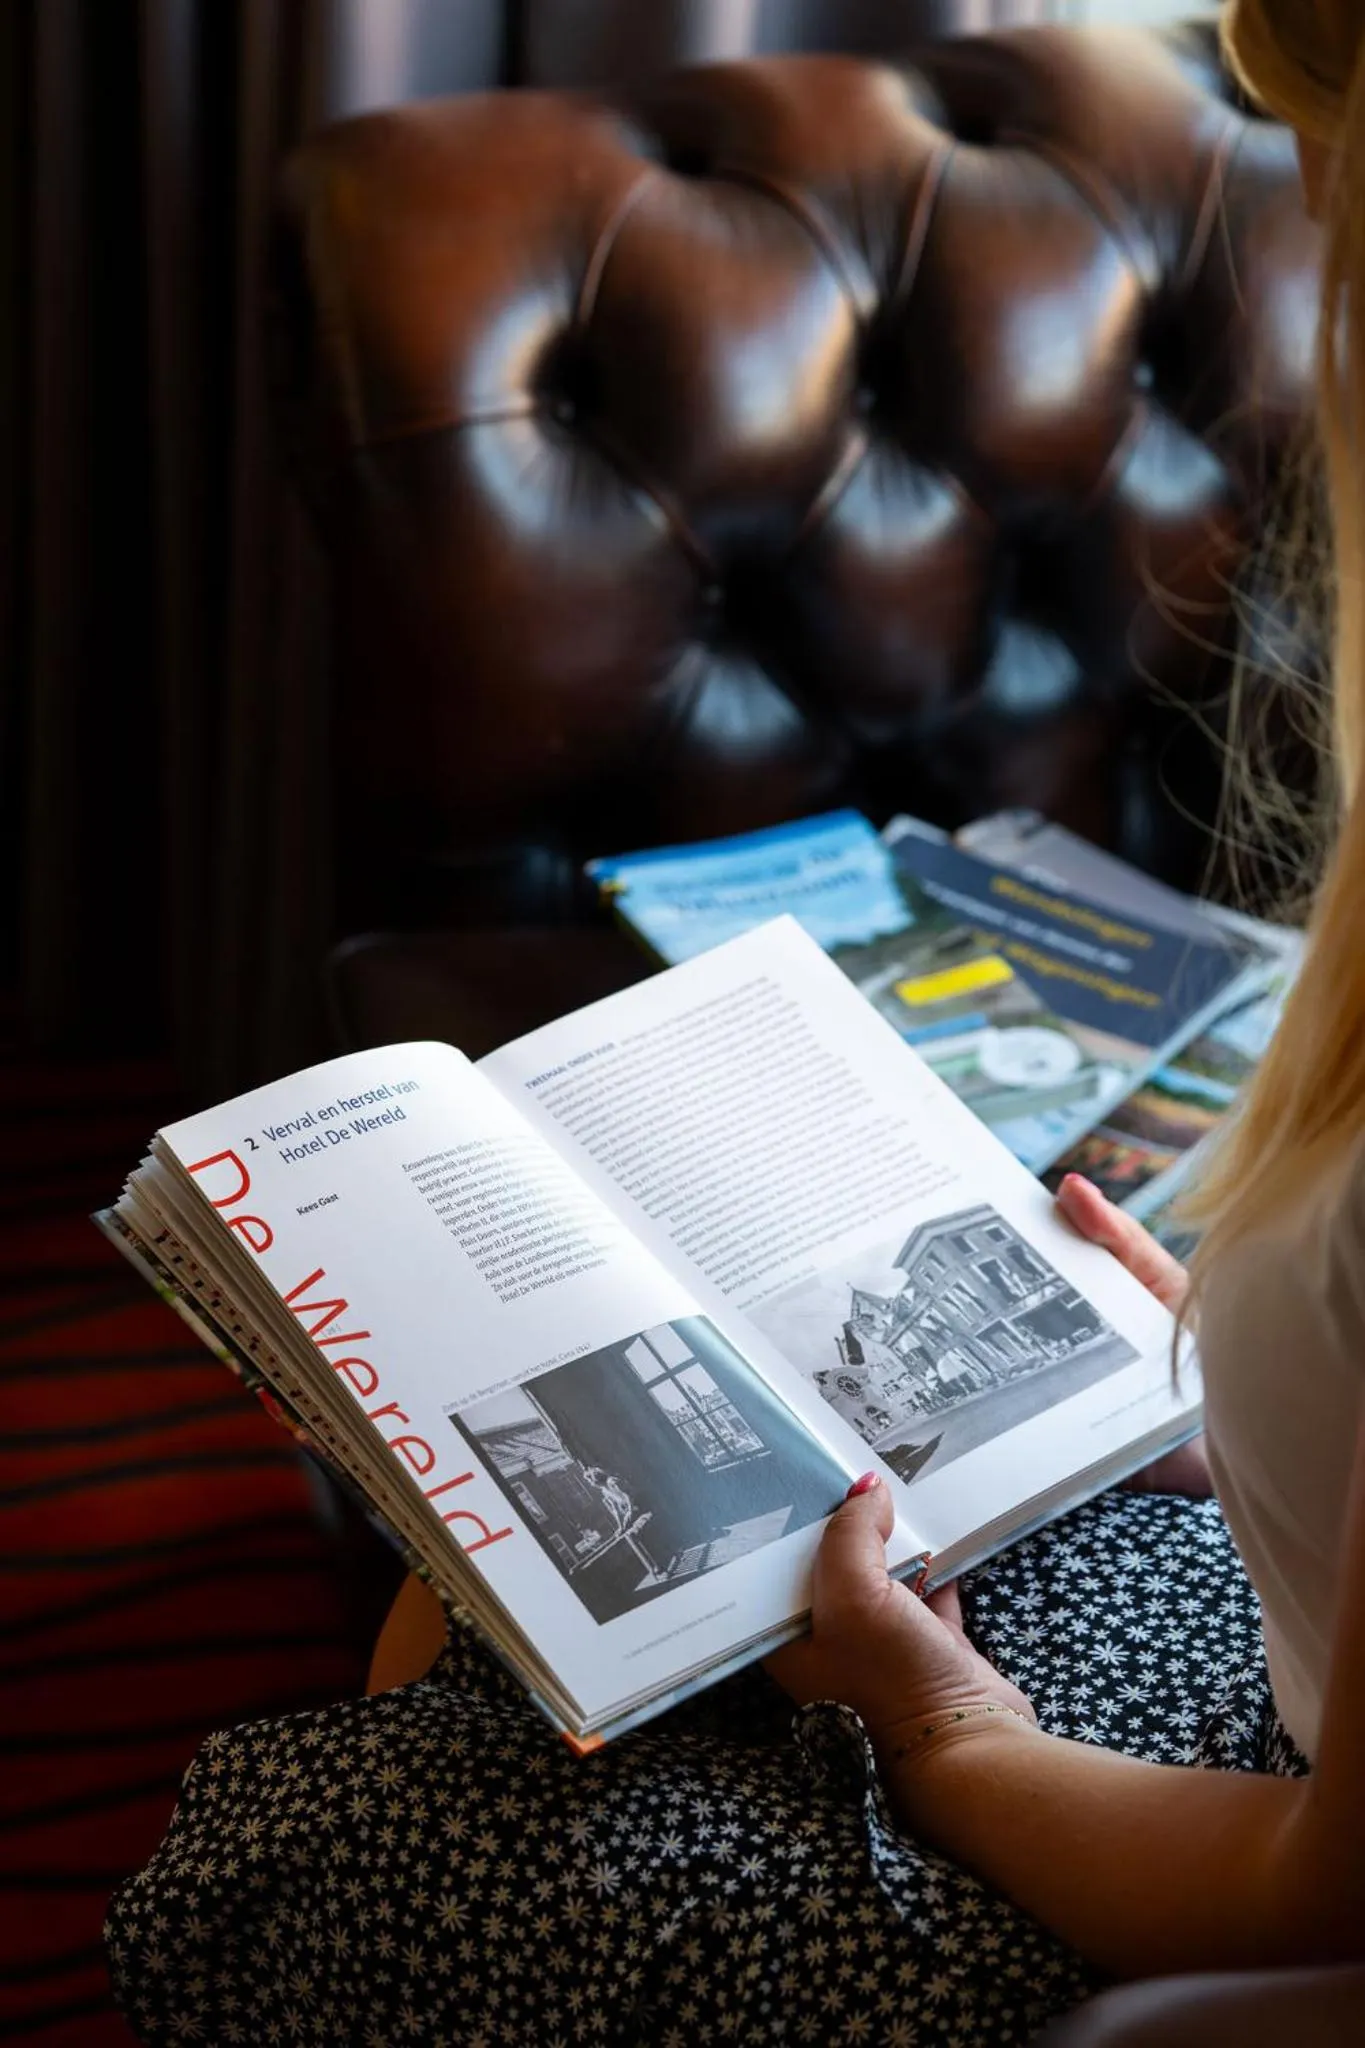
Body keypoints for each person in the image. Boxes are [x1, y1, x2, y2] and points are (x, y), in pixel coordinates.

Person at [105, 5, 1364, 2040]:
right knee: (482, 1642)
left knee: (315, 1834)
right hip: (1265, 1653)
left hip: (1248, 1863)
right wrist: (1237, 1418)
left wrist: (942, 1721)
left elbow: (1318, 1894)